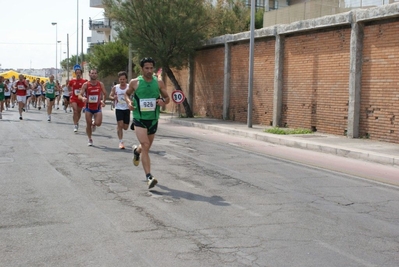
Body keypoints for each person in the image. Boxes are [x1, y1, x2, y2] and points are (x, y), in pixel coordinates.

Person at [125, 57, 170, 189]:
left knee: (145, 147)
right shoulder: (135, 82)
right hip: (139, 118)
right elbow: (127, 94)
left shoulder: (159, 83)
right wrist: (129, 103)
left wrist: (163, 101)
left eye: (151, 68)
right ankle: (149, 177)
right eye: (147, 68)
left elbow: (167, 98)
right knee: (145, 145)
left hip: (153, 119)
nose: (149, 70)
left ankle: (136, 151)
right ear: (142, 69)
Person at [78, 69, 107, 146]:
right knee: (88, 123)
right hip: (88, 107)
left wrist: (103, 101)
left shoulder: (100, 84)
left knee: (98, 123)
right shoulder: (86, 84)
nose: (94, 74)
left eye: (95, 73)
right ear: (89, 75)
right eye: (92, 73)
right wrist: (82, 98)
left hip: (97, 107)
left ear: (97, 75)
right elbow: (79, 95)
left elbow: (104, 93)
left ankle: (94, 124)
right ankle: (90, 139)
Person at [109, 72, 130, 149]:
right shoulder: (115, 87)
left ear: (126, 79)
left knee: (125, 127)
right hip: (118, 108)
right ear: (119, 79)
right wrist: (113, 98)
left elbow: (134, 95)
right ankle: (121, 142)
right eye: (120, 79)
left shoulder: (129, 87)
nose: (122, 81)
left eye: (123, 79)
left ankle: (119, 126)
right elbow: (110, 96)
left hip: (127, 108)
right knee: (120, 125)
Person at [69, 68, 87, 133]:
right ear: (75, 73)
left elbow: (87, 89)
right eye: (77, 73)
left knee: (79, 112)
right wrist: (70, 91)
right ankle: (75, 125)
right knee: (75, 111)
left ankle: (77, 122)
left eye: (79, 73)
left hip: (80, 98)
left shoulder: (84, 81)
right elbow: (69, 86)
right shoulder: (72, 81)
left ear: (81, 74)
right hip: (74, 98)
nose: (78, 74)